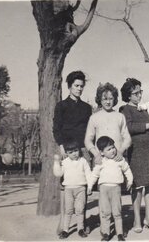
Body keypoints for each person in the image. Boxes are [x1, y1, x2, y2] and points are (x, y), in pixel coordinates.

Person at [120, 78, 149, 233]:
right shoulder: (125, 109)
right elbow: (129, 127)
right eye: (135, 93)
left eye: (140, 92)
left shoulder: (143, 109)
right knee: (138, 187)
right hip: (136, 152)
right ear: (128, 95)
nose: (139, 95)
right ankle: (137, 220)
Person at [53, 71, 92, 235]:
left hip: (83, 149)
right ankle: (64, 223)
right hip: (66, 149)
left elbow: (89, 131)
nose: (79, 89)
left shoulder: (86, 107)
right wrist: (62, 146)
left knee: (82, 186)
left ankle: (81, 224)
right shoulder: (61, 106)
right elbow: (56, 128)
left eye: (81, 86)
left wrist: (88, 149)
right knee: (66, 187)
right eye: (76, 86)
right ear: (69, 86)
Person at [88, 136, 133, 241]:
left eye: (113, 147)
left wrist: (130, 181)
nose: (112, 150)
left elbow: (127, 170)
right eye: (109, 149)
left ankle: (120, 233)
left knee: (117, 212)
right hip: (103, 190)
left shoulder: (119, 160)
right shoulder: (101, 162)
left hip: (116, 189)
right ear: (102, 152)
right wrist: (90, 186)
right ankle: (106, 233)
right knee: (105, 212)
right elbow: (94, 175)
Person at [53, 140, 92, 239]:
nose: (74, 154)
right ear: (66, 153)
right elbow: (59, 174)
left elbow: (88, 174)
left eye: (76, 150)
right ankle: (65, 230)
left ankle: (80, 229)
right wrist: (56, 162)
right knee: (68, 210)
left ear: (79, 150)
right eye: (70, 152)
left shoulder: (83, 161)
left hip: (81, 189)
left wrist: (90, 186)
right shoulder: (65, 162)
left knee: (80, 210)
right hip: (68, 190)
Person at [84, 82, 131, 163]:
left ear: (115, 99)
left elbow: (127, 138)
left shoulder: (120, 116)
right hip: (101, 160)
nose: (108, 102)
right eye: (105, 99)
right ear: (100, 100)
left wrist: (121, 151)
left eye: (111, 98)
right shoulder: (94, 117)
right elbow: (88, 140)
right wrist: (96, 154)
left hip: (117, 159)